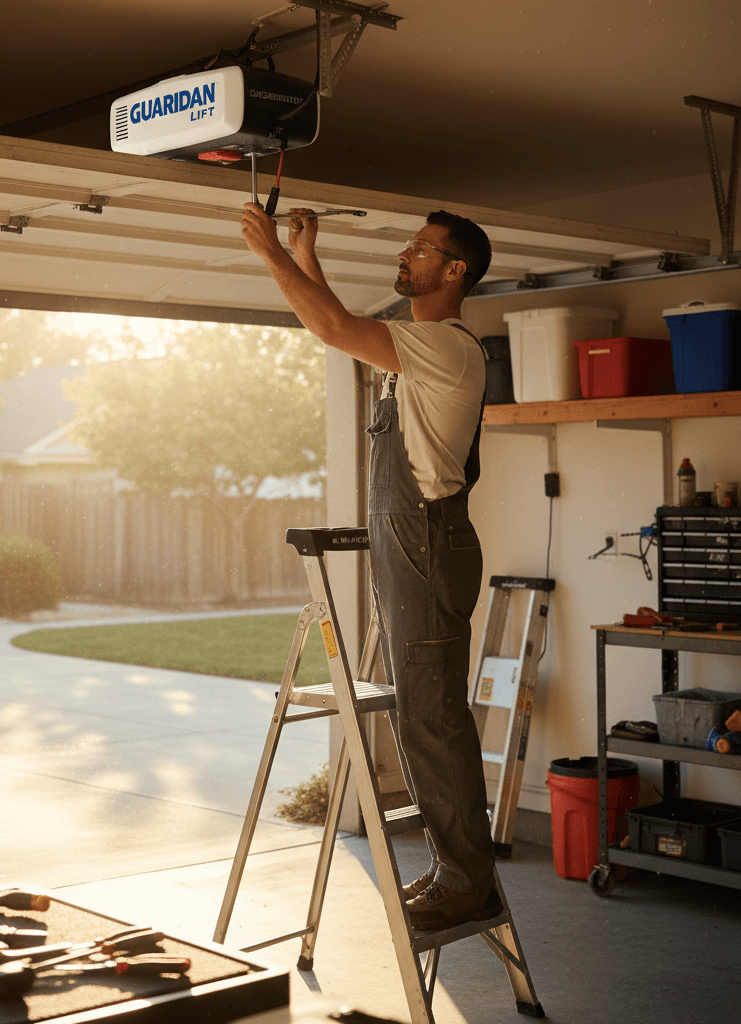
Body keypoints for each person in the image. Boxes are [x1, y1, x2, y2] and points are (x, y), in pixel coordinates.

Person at [240, 202, 499, 931]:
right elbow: (342, 327)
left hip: (425, 541)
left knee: (433, 716)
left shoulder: (445, 347)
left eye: (421, 249)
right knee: (422, 714)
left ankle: (467, 879)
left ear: (454, 270)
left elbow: (330, 327)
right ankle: (456, 870)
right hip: (410, 542)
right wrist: (305, 253)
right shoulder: (413, 348)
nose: (406, 256)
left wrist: (272, 255)